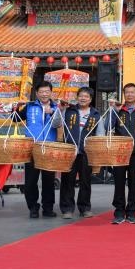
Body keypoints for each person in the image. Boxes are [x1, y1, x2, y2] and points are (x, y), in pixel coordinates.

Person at [53, 87, 103, 219]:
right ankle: (67, 209)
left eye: (86, 96)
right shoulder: (69, 110)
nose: (83, 98)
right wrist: (61, 109)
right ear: (77, 97)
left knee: (85, 181)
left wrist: (97, 152)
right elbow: (56, 123)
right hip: (70, 152)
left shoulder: (96, 114)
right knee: (67, 180)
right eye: (81, 96)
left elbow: (100, 135)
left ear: (90, 99)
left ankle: (85, 208)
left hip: (87, 152)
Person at [109, 83, 135, 225]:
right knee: (119, 182)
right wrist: (113, 111)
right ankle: (119, 212)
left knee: (134, 183)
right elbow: (107, 127)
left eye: (132, 92)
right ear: (124, 94)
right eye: (127, 92)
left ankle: (132, 213)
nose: (129, 95)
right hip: (119, 152)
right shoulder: (118, 109)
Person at [16, 81, 59, 219]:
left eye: (47, 91)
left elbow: (60, 124)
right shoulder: (29, 106)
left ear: (51, 93)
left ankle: (48, 208)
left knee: (48, 181)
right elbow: (14, 119)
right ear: (37, 93)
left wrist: (52, 113)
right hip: (32, 148)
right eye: (42, 91)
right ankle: (33, 207)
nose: (45, 94)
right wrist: (16, 108)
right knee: (30, 181)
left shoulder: (56, 107)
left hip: (49, 148)